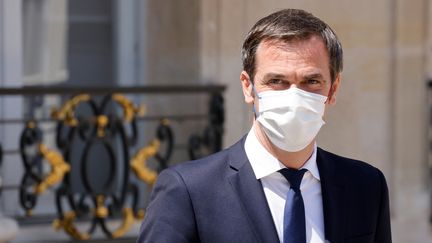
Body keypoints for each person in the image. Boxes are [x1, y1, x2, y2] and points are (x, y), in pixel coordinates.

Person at [137, 9, 391, 243]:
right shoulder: (189, 191)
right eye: (277, 80)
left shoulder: (366, 186)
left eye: (311, 81)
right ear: (248, 87)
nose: (294, 96)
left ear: (333, 89)